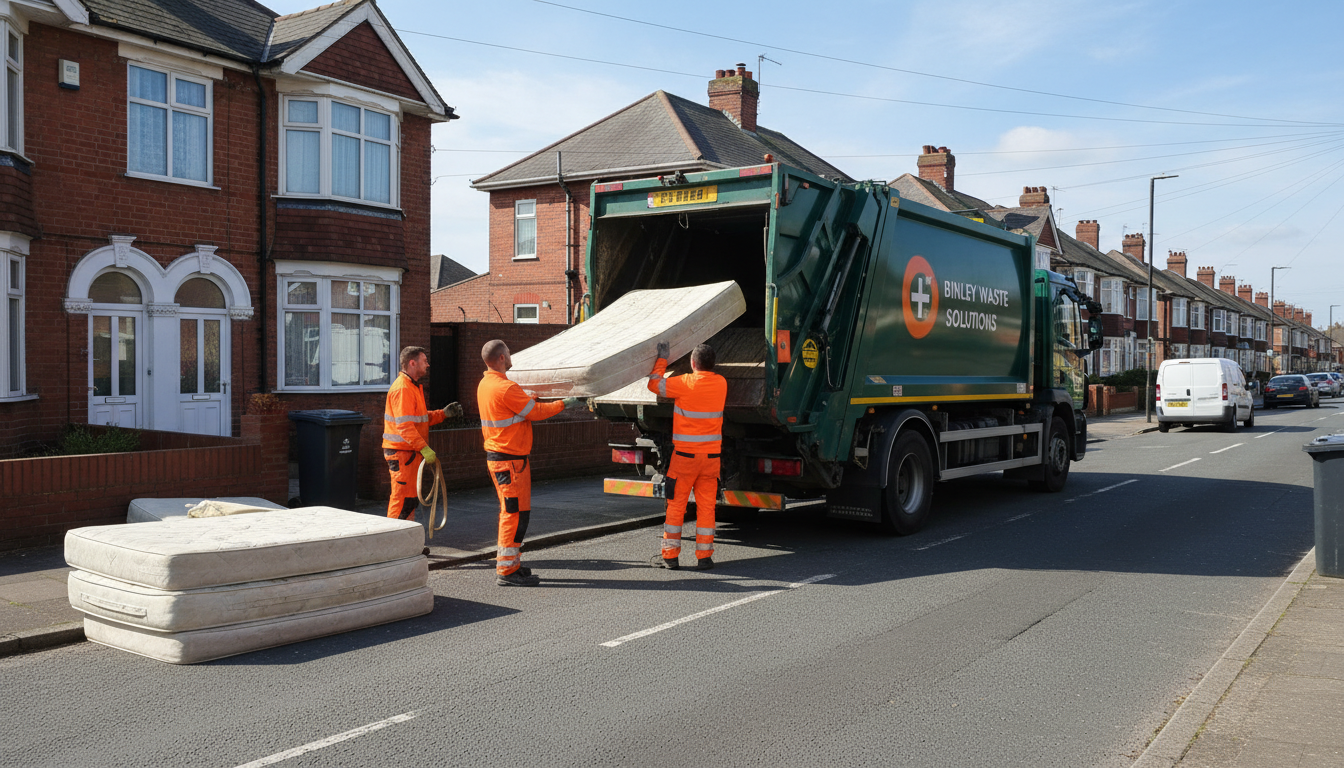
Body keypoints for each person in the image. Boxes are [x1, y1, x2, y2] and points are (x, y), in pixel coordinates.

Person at [478, 339, 583, 586]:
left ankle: (513, 564)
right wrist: (564, 403)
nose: (511, 354)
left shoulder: (488, 384)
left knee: (519, 514)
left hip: (510, 461)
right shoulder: (505, 388)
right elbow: (534, 413)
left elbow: (518, 407)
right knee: (512, 514)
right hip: (509, 462)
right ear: (502, 357)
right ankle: (506, 571)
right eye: (509, 351)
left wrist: (529, 398)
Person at [647, 342, 727, 570]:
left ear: (692, 364)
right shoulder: (721, 383)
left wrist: (662, 359)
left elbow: (654, 385)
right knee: (707, 507)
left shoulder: (684, 383)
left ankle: (670, 556)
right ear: (713, 364)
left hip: (684, 459)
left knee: (676, 505)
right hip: (711, 459)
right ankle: (704, 557)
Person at [382, 346, 461, 521]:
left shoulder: (411, 387)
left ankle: (406, 542)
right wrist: (424, 448)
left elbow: (420, 419)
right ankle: (394, 542)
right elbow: (405, 427)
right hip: (403, 454)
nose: (428, 365)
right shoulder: (403, 389)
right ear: (412, 363)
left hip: (407, 453)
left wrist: (443, 414)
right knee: (402, 499)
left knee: (409, 500)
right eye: (424, 361)